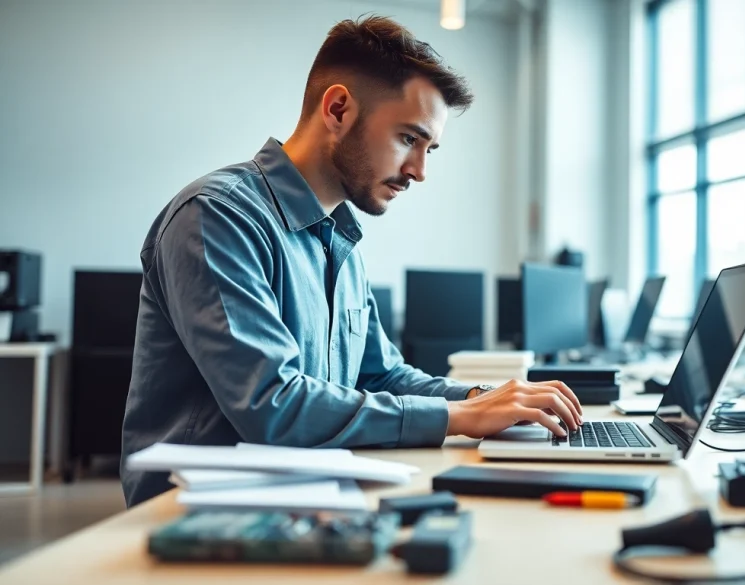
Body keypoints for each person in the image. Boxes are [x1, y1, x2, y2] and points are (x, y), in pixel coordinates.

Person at [120, 16, 582, 507]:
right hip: (194, 520)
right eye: (408, 138)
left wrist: (483, 399)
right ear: (338, 109)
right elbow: (271, 406)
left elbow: (382, 376)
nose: (419, 171)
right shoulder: (217, 216)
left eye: (430, 149)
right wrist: (457, 418)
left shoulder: (339, 237)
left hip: (305, 495)